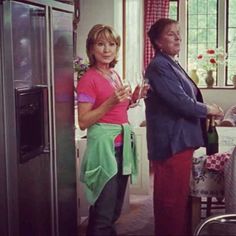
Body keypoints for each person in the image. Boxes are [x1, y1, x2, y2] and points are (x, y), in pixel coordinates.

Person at [144, 18, 224, 236]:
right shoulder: (159, 66)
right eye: (171, 34)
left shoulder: (171, 62)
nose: (178, 37)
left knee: (179, 199)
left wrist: (207, 111)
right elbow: (180, 103)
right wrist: (209, 109)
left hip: (180, 141)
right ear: (158, 42)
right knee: (170, 202)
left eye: (178, 33)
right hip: (172, 142)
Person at [77, 24, 148, 236]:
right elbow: (83, 121)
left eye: (112, 44)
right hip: (104, 151)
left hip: (120, 147)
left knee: (114, 209)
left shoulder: (114, 74)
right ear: (91, 49)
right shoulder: (88, 79)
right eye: (100, 44)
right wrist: (109, 102)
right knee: (104, 213)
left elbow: (118, 108)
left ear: (117, 48)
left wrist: (134, 96)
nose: (107, 49)